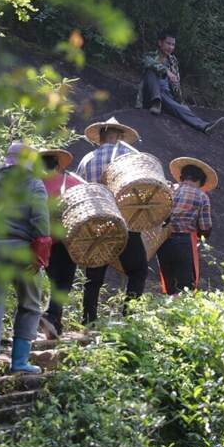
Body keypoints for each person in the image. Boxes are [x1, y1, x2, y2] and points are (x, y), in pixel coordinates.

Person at [0, 142, 52, 399]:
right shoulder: (32, 183)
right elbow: (40, 218)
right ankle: (19, 362)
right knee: (30, 303)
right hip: (21, 252)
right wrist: (40, 255)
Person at [76, 117, 147, 323]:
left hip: (96, 221)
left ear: (100, 137)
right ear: (119, 136)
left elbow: (81, 190)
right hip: (124, 222)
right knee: (138, 270)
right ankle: (128, 318)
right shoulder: (127, 155)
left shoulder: (86, 159)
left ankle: (88, 320)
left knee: (94, 276)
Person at [136, 29, 224, 134]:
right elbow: (148, 63)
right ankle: (157, 101)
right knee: (150, 72)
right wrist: (166, 71)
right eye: (168, 43)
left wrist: (180, 102)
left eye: (173, 45)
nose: (171, 47)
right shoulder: (149, 56)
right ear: (160, 43)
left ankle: (205, 126)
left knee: (178, 106)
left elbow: (176, 85)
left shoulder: (173, 62)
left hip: (166, 97)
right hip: (150, 97)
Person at [38, 148, 85, 339]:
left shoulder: (35, 184)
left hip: (40, 240)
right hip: (65, 239)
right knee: (63, 283)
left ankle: (54, 323)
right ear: (57, 164)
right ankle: (51, 315)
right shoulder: (71, 181)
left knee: (52, 280)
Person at [157, 158, 216, 294]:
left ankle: (169, 309)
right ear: (199, 181)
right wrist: (201, 237)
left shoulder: (169, 190)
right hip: (184, 241)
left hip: (163, 241)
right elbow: (205, 227)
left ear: (182, 177)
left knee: (170, 283)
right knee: (186, 284)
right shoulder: (202, 196)